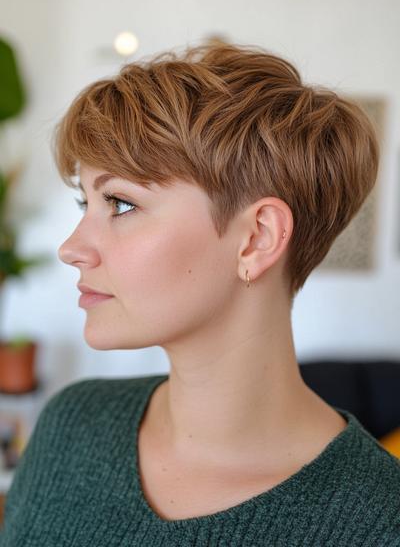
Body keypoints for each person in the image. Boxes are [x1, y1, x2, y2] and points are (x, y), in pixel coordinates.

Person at [1, 41, 399, 546]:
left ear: (257, 238)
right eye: (86, 202)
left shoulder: (379, 521)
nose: (72, 248)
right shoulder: (71, 426)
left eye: (120, 203)